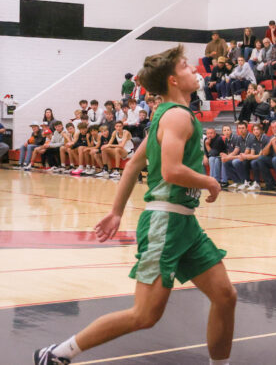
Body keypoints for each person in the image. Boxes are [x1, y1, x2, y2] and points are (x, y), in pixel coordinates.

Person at [34, 45, 235, 365]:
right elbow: (170, 170)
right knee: (144, 315)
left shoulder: (163, 115)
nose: (192, 69)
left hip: (184, 224)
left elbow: (131, 165)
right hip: (164, 223)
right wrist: (208, 181)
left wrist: (116, 212)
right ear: (173, 80)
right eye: (185, 66)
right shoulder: (178, 117)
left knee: (225, 296)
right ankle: (58, 354)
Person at [233, 124, 268, 192]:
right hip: (258, 157)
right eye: (254, 130)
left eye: (257, 129)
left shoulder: (264, 138)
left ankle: (257, 183)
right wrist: (246, 157)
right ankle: (247, 182)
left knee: (253, 162)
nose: (256, 131)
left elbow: (260, 155)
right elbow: (252, 153)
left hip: (266, 157)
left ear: (261, 130)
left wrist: (246, 156)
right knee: (246, 161)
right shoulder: (253, 139)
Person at [221, 123, 246, 189]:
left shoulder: (235, 138)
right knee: (225, 162)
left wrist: (227, 157)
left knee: (233, 162)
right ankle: (237, 182)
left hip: (240, 156)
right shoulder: (226, 139)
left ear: (231, 131)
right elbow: (230, 151)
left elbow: (235, 152)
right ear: (222, 132)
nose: (227, 132)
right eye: (225, 130)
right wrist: (225, 155)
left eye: (228, 130)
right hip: (234, 157)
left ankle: (243, 182)